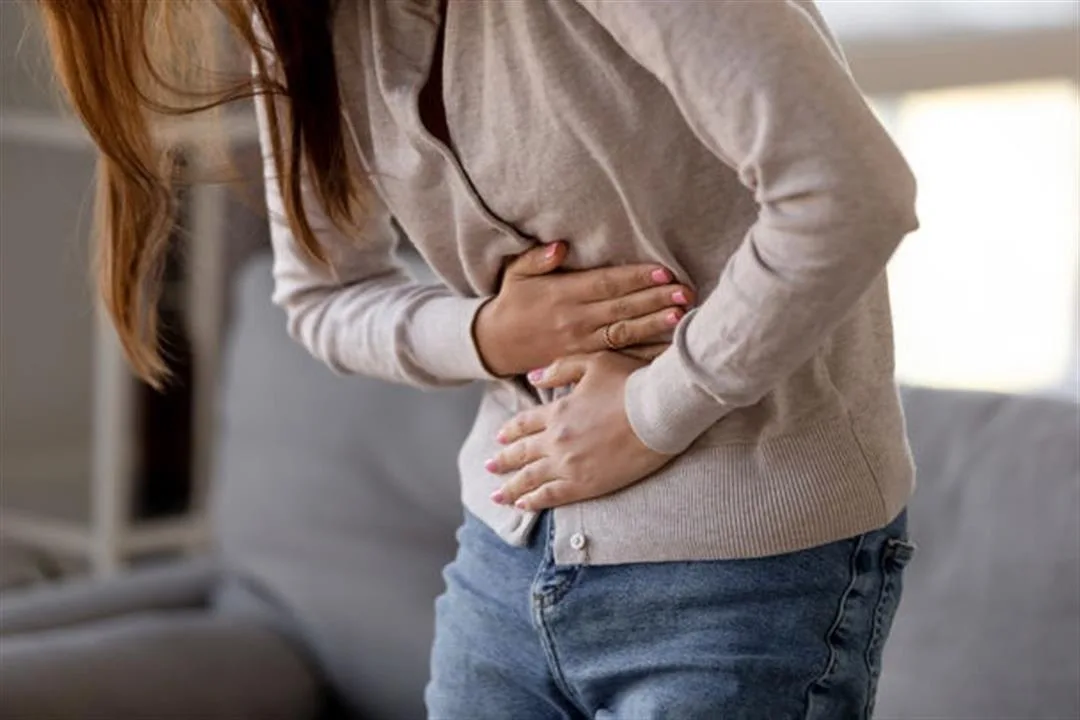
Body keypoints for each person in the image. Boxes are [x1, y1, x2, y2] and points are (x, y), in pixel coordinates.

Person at [37, 1, 920, 717]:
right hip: (504, 563)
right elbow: (319, 295)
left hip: (746, 577)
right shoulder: (297, 18)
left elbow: (850, 191)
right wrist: (492, 332)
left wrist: (656, 409)